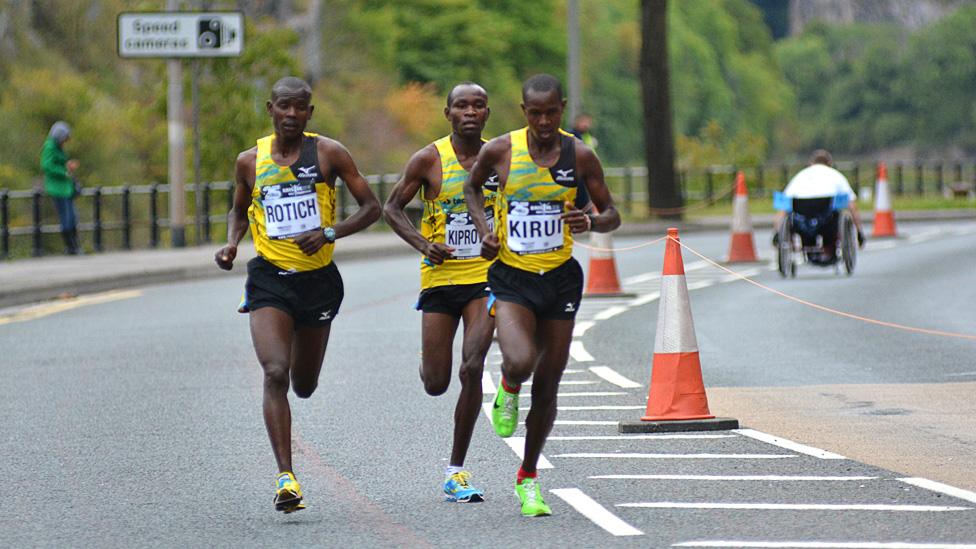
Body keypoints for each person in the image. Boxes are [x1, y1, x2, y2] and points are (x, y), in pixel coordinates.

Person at [214, 77, 380, 513]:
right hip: (269, 278)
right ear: (270, 109)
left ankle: (296, 352)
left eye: (299, 108)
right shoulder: (249, 161)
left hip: (318, 280)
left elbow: (372, 208)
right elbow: (239, 207)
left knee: (303, 385)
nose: (291, 114)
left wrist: (328, 231)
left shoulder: (329, 154)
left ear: (310, 113)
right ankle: (286, 477)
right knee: (274, 372)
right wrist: (232, 243)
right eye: (283, 107)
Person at [463, 74, 620, 517]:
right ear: (524, 112)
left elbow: (612, 213)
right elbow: (471, 188)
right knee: (518, 359)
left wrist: (591, 222)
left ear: (562, 108)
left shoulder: (580, 155)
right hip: (512, 276)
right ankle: (509, 386)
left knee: (549, 383)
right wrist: (484, 229)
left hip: (560, 278)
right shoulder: (501, 151)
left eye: (552, 112)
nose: (545, 121)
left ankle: (528, 477)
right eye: (536, 113)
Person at [382, 82, 497, 503]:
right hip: (440, 280)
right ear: (447, 113)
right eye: (461, 105)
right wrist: (423, 243)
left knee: (472, 366)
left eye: (478, 105)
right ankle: (429, 357)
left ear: (488, 113)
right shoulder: (429, 159)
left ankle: (456, 469)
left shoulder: (500, 157)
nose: (470, 112)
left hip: (486, 278)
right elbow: (391, 207)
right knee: (436, 381)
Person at [774, 149, 865, 264]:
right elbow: (852, 206)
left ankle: (808, 246)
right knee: (835, 215)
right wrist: (859, 232)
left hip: (802, 212)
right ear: (829, 164)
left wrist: (777, 232)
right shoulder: (836, 175)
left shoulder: (800, 176)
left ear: (811, 163)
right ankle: (828, 249)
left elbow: (784, 206)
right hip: (825, 214)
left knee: (795, 216)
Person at [40, 121, 82, 255]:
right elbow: (47, 166)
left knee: (73, 217)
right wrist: (64, 172)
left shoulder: (58, 148)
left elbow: (60, 163)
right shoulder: (49, 147)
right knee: (66, 217)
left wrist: (68, 166)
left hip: (65, 188)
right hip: (58, 188)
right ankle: (71, 247)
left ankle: (74, 246)